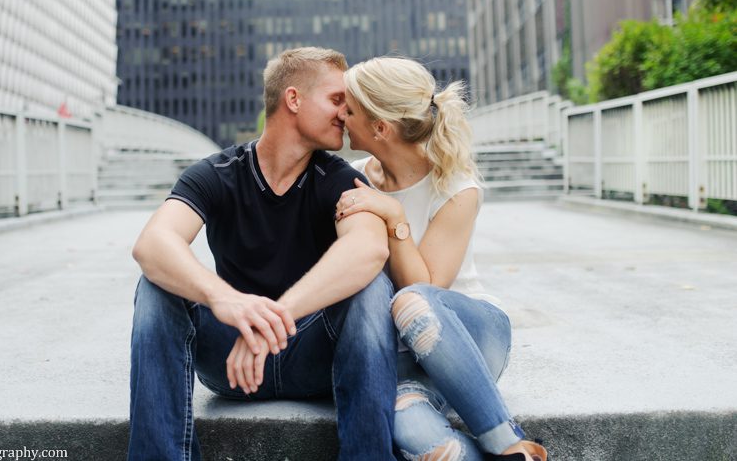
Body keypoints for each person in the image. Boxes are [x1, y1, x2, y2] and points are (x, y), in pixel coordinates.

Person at [128, 47, 398, 460]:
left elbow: (369, 248)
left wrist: (275, 319)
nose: (346, 114)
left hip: (313, 356)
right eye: (336, 100)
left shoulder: (339, 178)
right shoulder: (216, 174)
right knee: (157, 284)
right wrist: (227, 301)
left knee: (372, 287)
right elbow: (153, 243)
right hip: (233, 364)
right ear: (293, 99)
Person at [335, 56, 548, 461]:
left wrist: (394, 217)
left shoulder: (455, 187)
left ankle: (508, 442)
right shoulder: (353, 177)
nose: (341, 116)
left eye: (349, 109)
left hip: (467, 336)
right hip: (405, 364)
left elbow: (427, 288)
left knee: (411, 303)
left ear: (380, 128)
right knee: (418, 436)